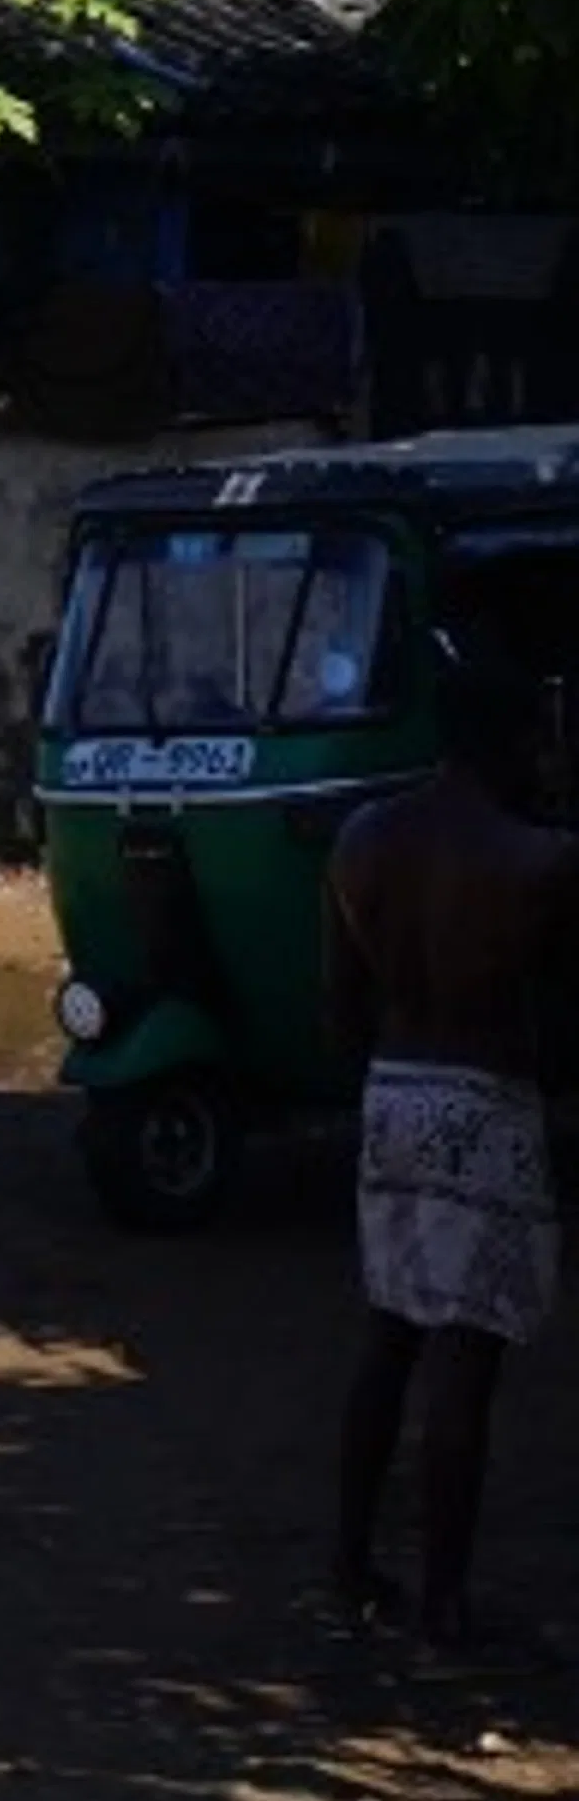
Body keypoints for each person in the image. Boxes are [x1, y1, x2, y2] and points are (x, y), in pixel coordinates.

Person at [325, 645, 579, 1649]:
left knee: (389, 1335)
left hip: (394, 1090)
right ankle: (444, 1602)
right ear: (516, 742)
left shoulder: (362, 842)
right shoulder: (541, 865)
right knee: (466, 1364)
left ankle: (349, 1564)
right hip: (486, 1099)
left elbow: (338, 1010)